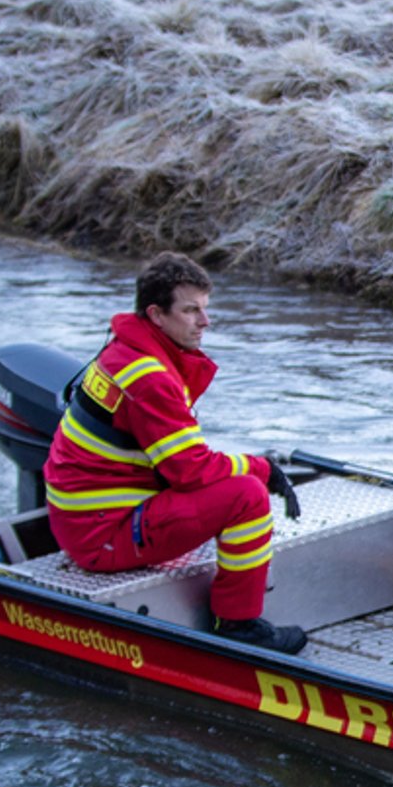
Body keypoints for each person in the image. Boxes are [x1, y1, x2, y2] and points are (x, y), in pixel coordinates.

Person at [41, 252, 307, 654]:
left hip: (84, 517)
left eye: (204, 309)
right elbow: (190, 469)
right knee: (247, 497)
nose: (205, 322)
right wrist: (261, 469)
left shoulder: (124, 350)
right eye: (191, 311)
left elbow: (176, 459)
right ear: (156, 315)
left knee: (235, 482)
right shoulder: (149, 378)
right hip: (102, 534)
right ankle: (237, 625)